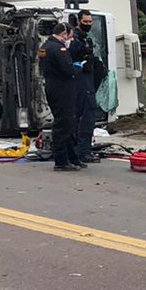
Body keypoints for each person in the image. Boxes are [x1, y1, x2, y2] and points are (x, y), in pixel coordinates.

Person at [41, 21, 84, 171]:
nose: (70, 40)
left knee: (67, 123)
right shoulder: (59, 49)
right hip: (62, 89)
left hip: (52, 87)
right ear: (64, 34)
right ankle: (61, 161)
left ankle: (72, 157)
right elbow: (68, 70)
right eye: (70, 37)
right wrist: (79, 68)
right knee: (64, 124)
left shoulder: (45, 47)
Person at [70, 11, 107, 166]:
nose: (89, 24)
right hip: (81, 81)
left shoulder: (84, 38)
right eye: (86, 21)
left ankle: (77, 150)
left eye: (90, 21)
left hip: (86, 80)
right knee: (87, 115)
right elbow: (74, 56)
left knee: (81, 116)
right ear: (78, 21)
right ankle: (83, 151)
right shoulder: (75, 39)